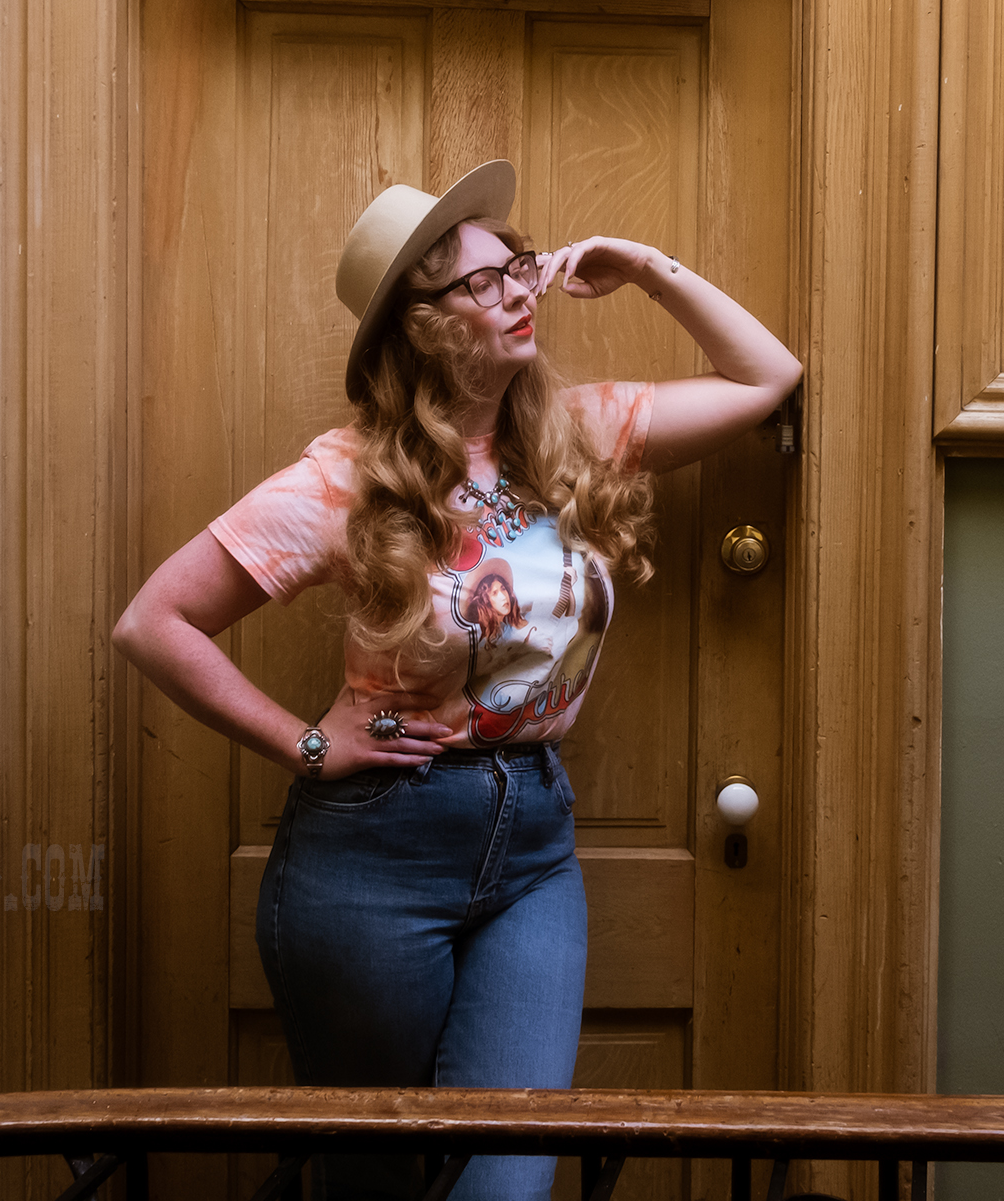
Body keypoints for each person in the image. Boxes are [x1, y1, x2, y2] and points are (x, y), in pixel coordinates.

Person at [111, 160, 801, 1201]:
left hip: (533, 849)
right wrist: (306, 740)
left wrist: (645, 266)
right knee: (372, 1180)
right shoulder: (343, 477)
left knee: (506, 1187)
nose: (522, 287)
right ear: (423, 324)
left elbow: (768, 379)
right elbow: (154, 621)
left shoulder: (581, 436)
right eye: (486, 280)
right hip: (370, 850)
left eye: (519, 264)